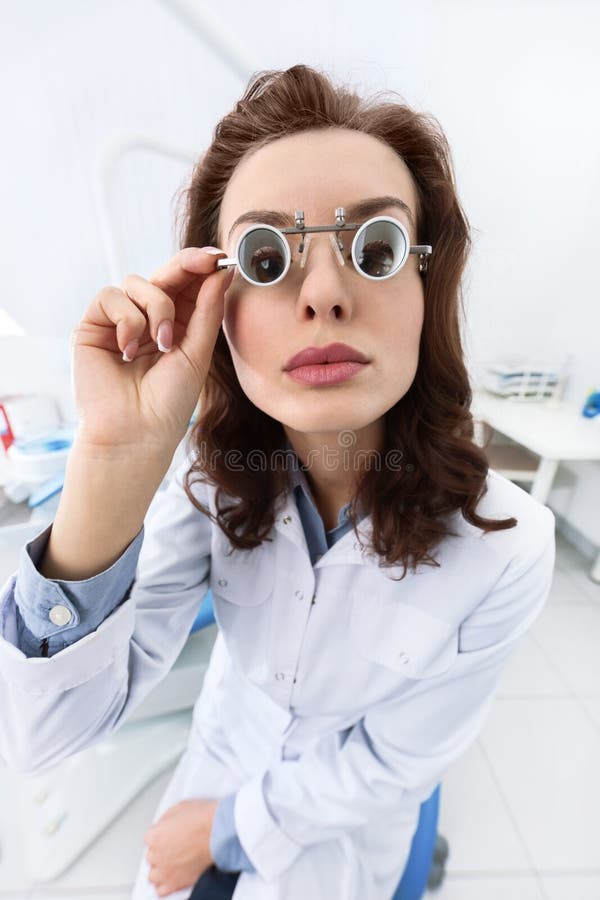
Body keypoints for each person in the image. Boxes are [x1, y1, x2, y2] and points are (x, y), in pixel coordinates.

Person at [0, 64, 555, 900]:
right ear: (214, 308)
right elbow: (48, 735)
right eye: (267, 258)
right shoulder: (209, 480)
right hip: (223, 751)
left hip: (345, 828)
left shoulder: (507, 548)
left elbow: (398, 761)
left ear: (424, 284)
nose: (326, 293)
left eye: (377, 249)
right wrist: (114, 459)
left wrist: (221, 829)